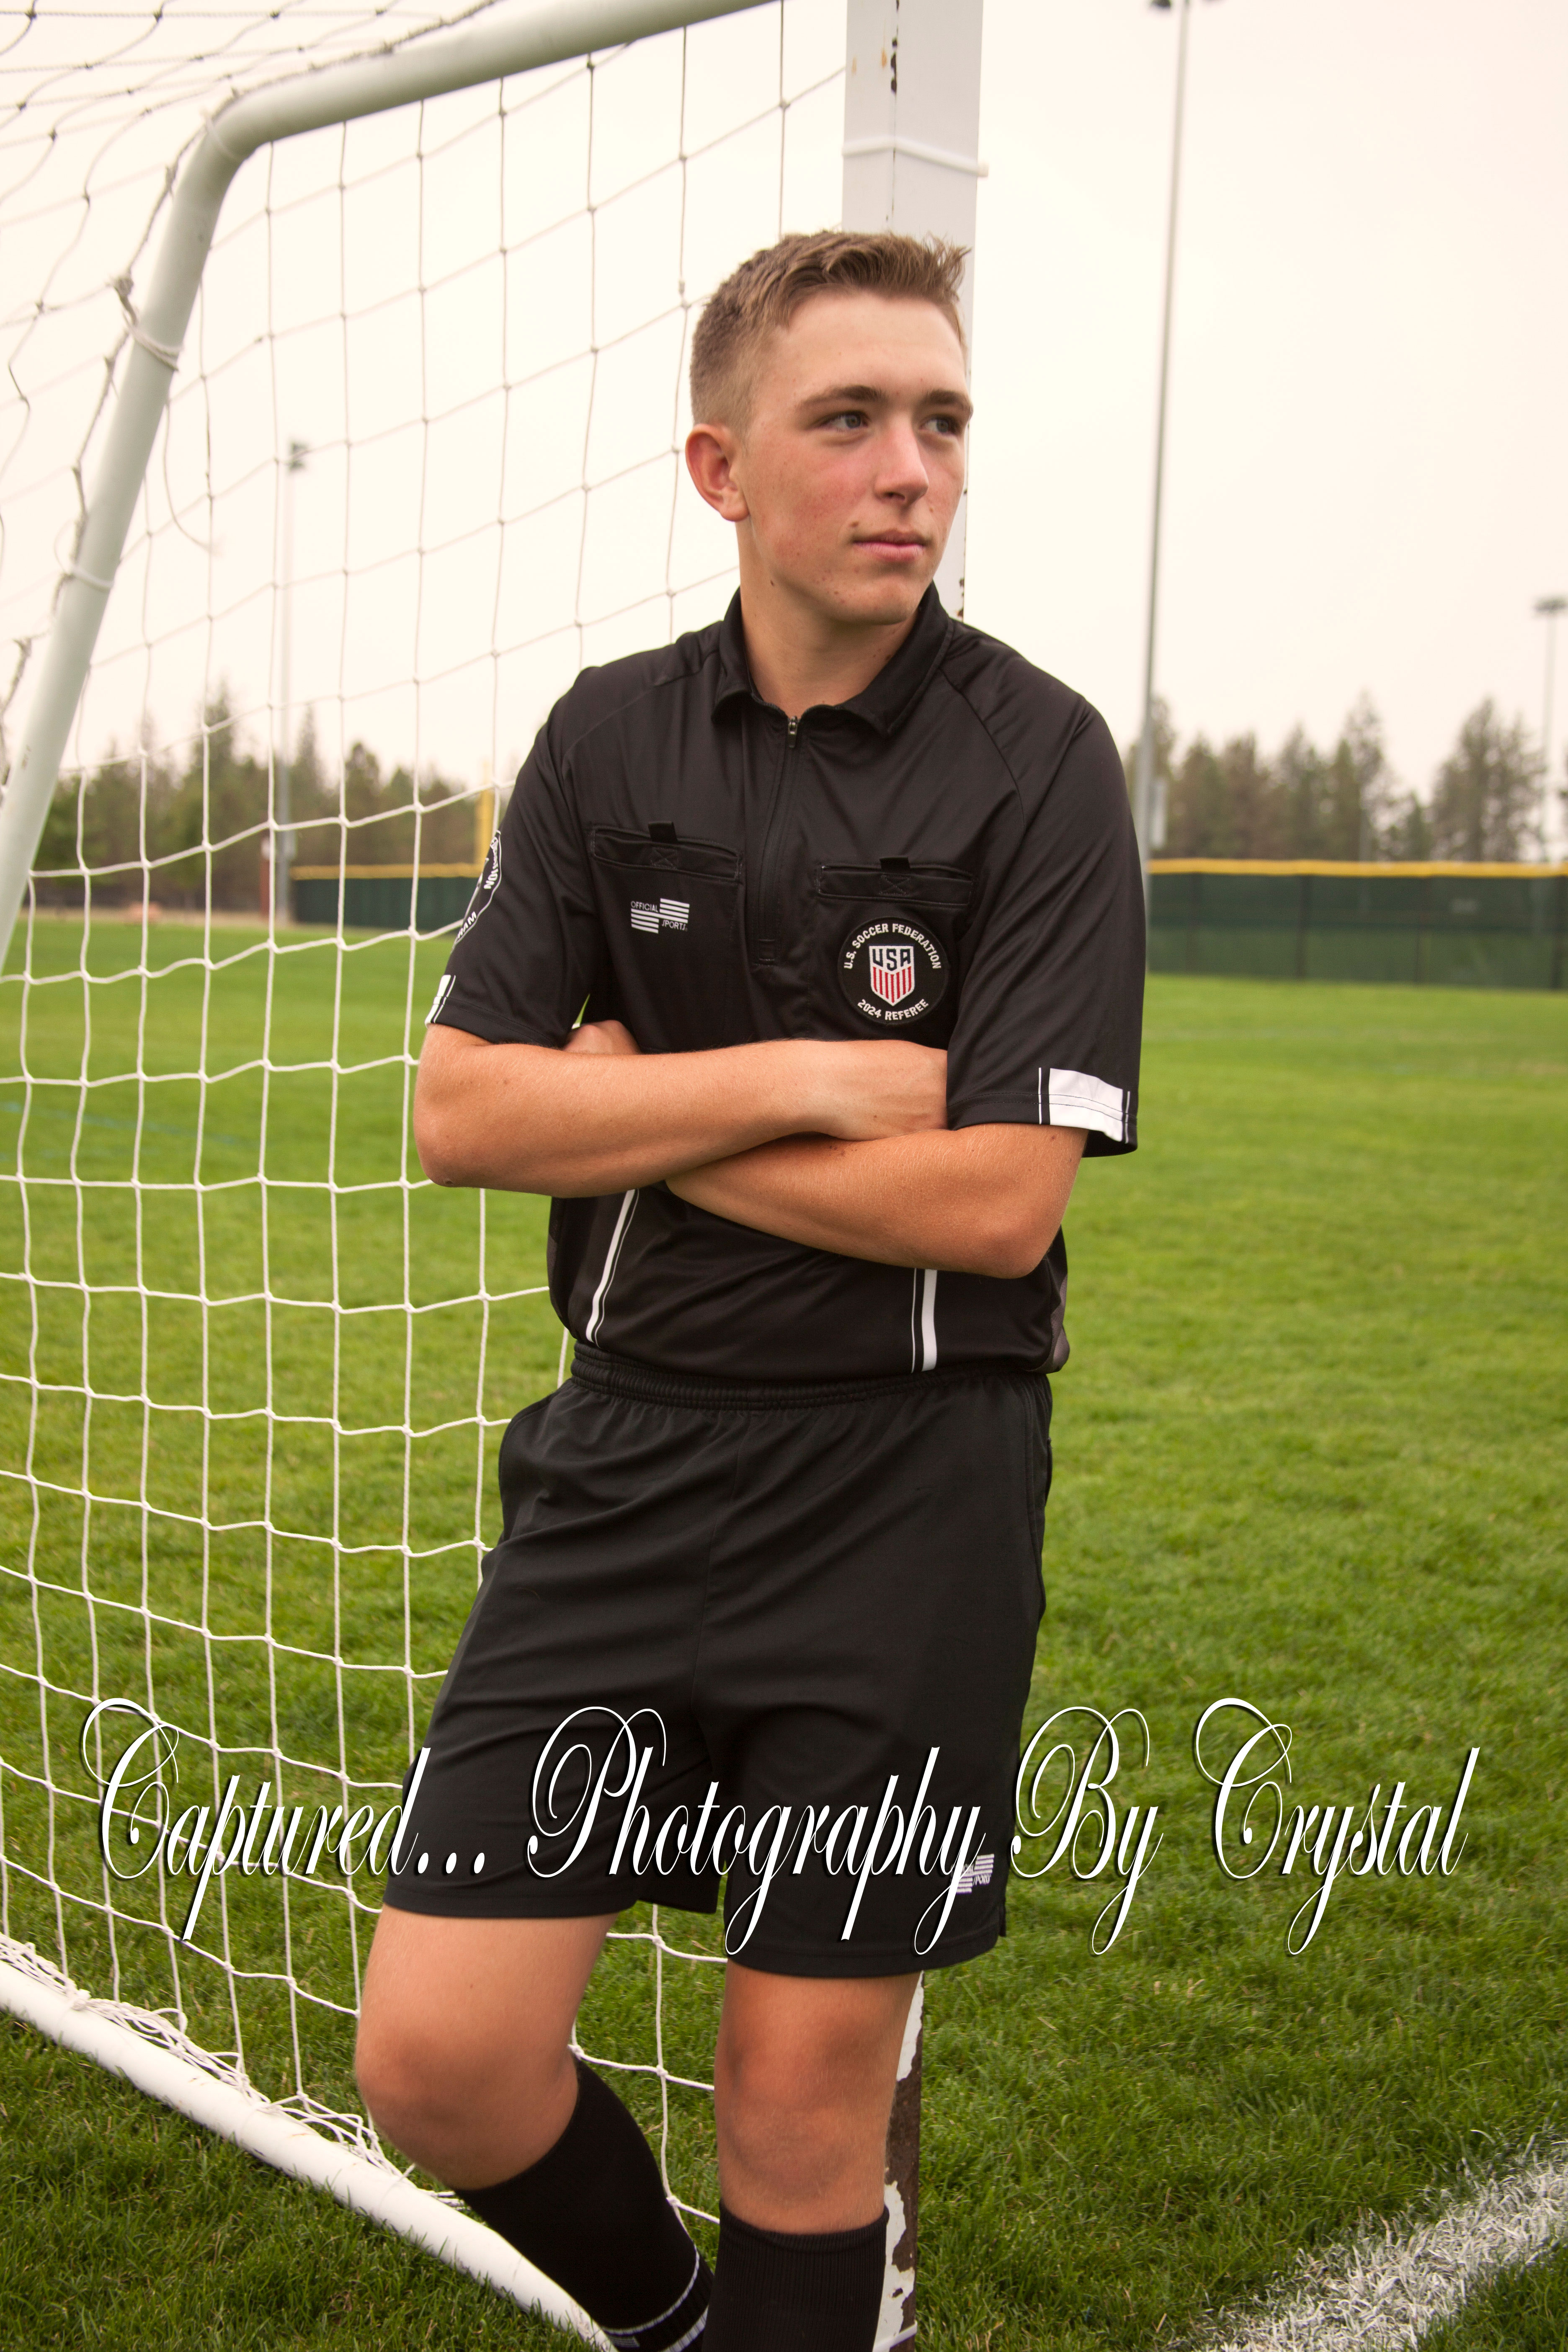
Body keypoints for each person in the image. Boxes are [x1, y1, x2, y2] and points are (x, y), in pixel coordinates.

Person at [355, 229, 1143, 2352]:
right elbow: (461, 1110)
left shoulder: (1041, 759)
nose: (910, 467)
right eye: (850, 419)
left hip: (905, 1492)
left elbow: (997, 1204)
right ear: (722, 467)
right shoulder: (609, 742)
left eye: (943, 420)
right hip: (622, 1471)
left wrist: (636, 1108)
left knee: (798, 2107)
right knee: (439, 2057)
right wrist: (797, 1081)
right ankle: (685, 2332)